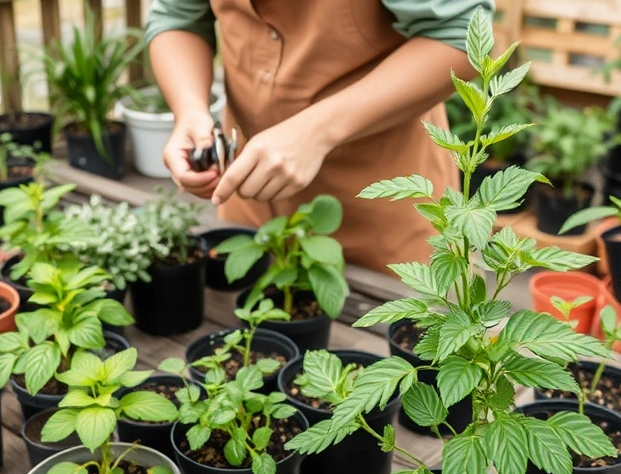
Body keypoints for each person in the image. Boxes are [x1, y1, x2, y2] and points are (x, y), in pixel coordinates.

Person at [146, 0, 493, 273]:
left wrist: (316, 131)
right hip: (248, 199)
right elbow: (178, 16)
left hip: (383, 211)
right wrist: (190, 110)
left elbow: (462, 35)